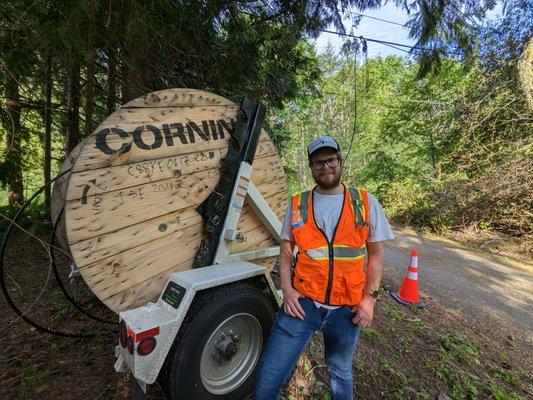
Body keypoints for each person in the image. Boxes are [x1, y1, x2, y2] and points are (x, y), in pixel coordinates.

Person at [254, 135, 394, 400]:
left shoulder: (364, 201)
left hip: (347, 309)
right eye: (318, 162)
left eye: (330, 160)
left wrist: (369, 301)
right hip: (302, 304)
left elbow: (375, 256)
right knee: (270, 375)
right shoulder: (298, 203)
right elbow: (286, 251)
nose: (326, 167)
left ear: (340, 161)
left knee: (340, 373)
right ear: (311, 167)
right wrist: (286, 288)